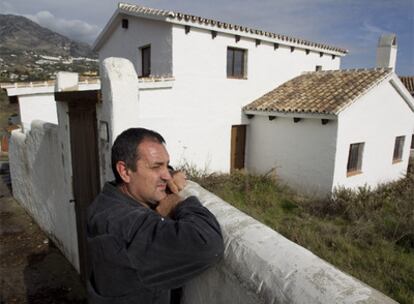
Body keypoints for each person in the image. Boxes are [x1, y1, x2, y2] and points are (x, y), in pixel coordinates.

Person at [87, 127, 224, 304]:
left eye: (166, 165)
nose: (167, 175)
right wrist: (178, 204)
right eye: (156, 166)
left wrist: (166, 174)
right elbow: (207, 243)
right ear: (125, 171)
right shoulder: (125, 226)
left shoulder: (111, 198)